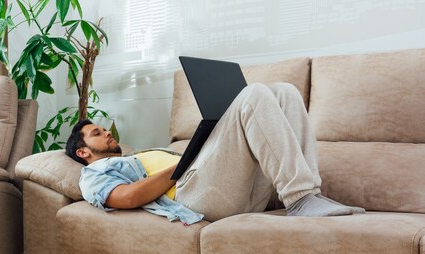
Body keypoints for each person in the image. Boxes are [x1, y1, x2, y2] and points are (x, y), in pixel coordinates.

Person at [65, 82, 364, 225]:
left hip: (229, 188)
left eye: (103, 129)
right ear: (83, 151)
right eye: (96, 133)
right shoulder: (92, 175)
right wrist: (183, 164)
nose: (106, 132)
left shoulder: (140, 153)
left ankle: (308, 194)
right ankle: (300, 200)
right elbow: (127, 198)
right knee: (253, 94)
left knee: (285, 91)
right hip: (191, 193)